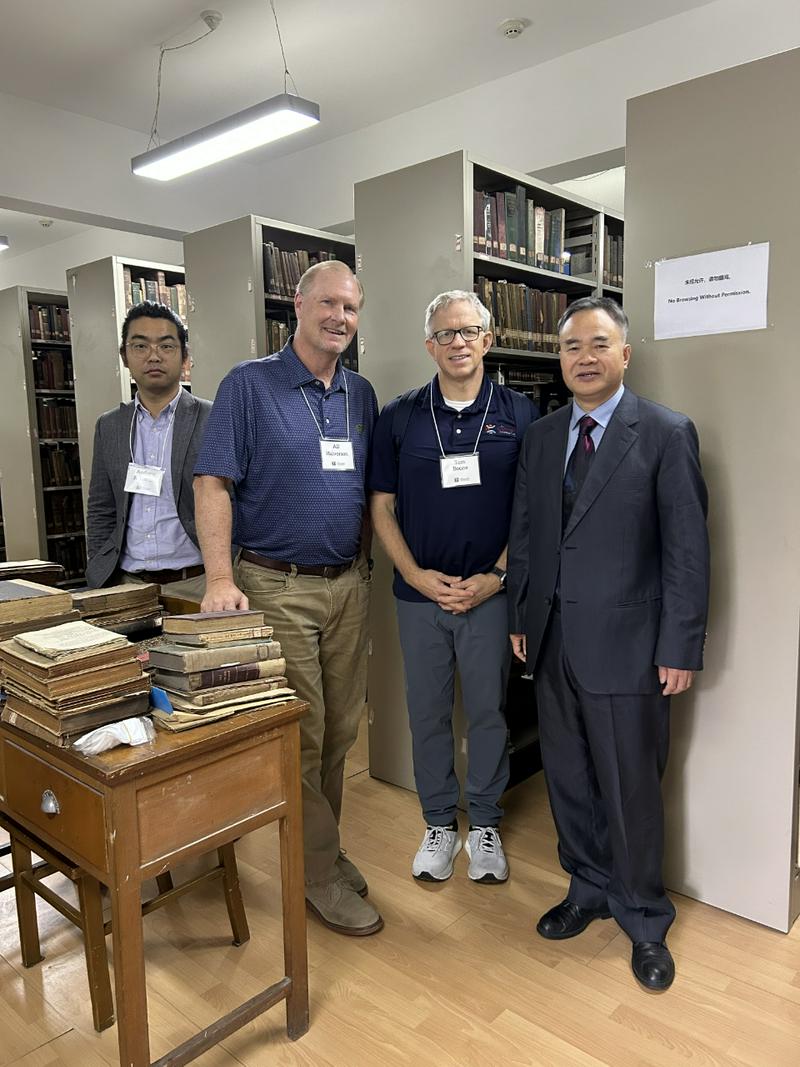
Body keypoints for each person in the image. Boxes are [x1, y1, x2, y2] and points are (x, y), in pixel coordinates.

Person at [507, 296, 710, 992]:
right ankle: (588, 885)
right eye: (571, 347)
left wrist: (679, 644)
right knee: (568, 777)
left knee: (630, 786)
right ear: (559, 359)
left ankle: (644, 915)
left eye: (599, 344)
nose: (584, 358)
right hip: (552, 640)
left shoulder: (665, 432)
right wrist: (521, 615)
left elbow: (687, 551)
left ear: (624, 354)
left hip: (631, 644)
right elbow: (528, 534)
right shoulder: (542, 437)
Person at [193, 260, 382, 937]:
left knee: (340, 731)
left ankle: (318, 847)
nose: (340, 317)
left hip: (347, 585)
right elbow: (212, 482)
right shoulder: (249, 384)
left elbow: (367, 489)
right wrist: (220, 579)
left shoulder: (361, 393)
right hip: (277, 585)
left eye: (351, 307)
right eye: (328, 303)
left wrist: (363, 565)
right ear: (297, 305)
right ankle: (317, 873)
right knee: (302, 733)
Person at [370, 290, 538, 885]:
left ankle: (485, 823)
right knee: (428, 713)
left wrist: (496, 578)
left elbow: (533, 510)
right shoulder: (400, 416)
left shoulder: (521, 414)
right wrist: (415, 575)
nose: (458, 342)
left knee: (490, 713)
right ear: (430, 345)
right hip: (420, 598)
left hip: (489, 596)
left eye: (469, 331)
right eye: (445, 334)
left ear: (487, 340)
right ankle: (439, 822)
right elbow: (381, 506)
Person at [86, 301, 209, 602]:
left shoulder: (213, 419)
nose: (154, 356)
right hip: (127, 584)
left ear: (185, 356)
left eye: (166, 346)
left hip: (197, 584)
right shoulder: (109, 426)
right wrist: (101, 569)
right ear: (124, 356)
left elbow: (235, 499)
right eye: (140, 346)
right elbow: (101, 507)